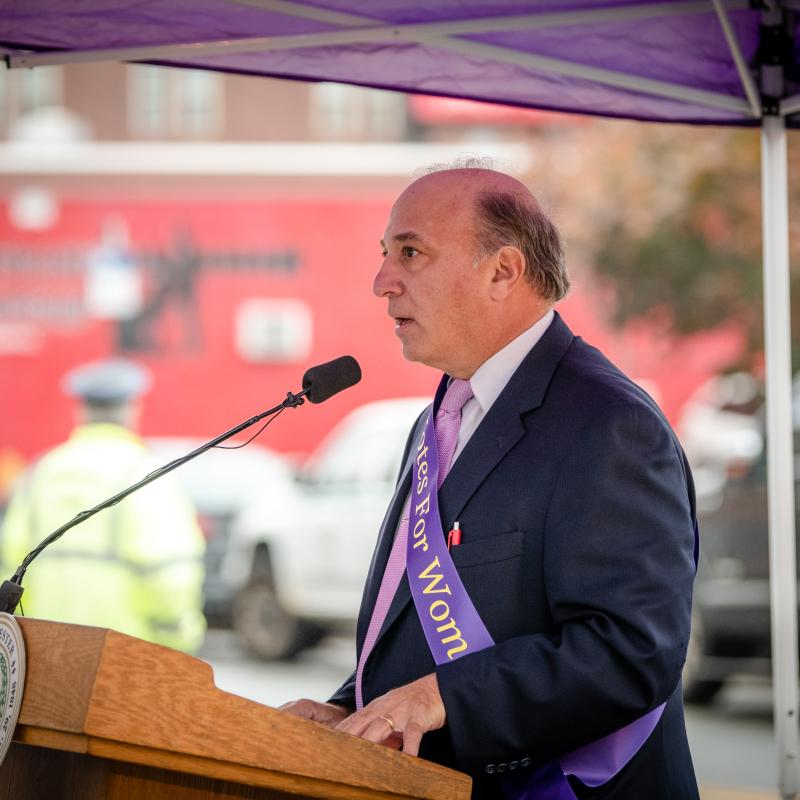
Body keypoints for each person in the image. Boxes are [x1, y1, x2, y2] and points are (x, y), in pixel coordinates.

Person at [281, 165, 699, 799]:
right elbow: (424, 618)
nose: (381, 282)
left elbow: (631, 652)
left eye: (411, 253)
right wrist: (358, 711)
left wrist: (440, 698)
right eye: (385, 255)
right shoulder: (440, 419)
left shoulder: (609, 424)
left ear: (503, 271)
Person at [0, 358, 206, 653]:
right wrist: (177, 639)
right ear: (131, 409)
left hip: (46, 652)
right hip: (124, 654)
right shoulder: (146, 475)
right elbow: (170, 573)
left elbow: (10, 563)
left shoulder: (42, 472)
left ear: (81, 411)